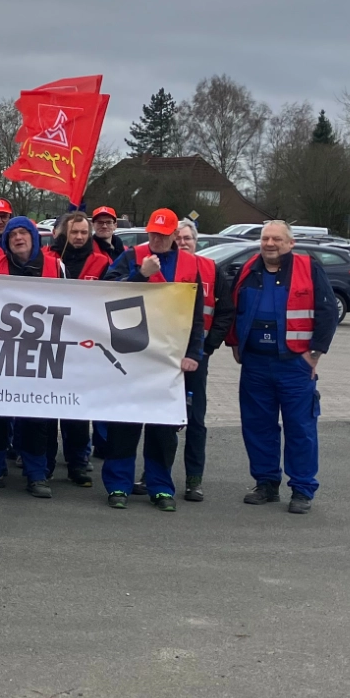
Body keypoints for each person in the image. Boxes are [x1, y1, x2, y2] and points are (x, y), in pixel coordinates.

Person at [97, 208, 204, 511]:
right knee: (124, 424)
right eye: (153, 233)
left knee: (163, 427)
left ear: (174, 235)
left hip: (168, 358)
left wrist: (194, 353)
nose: (156, 239)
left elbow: (196, 316)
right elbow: (105, 292)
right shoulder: (132, 256)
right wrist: (138, 274)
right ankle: (118, 485)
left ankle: (160, 487)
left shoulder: (189, 264)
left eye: (163, 234)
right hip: (130, 353)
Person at [228, 220, 338, 513]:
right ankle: (266, 483)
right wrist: (236, 344)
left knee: (300, 428)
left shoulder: (308, 268)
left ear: (290, 243)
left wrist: (314, 353)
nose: (270, 243)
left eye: (277, 239)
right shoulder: (249, 268)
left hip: (294, 364)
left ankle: (302, 489)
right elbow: (233, 306)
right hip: (255, 364)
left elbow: (327, 311)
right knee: (257, 427)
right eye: (265, 238)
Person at [0, 217, 62, 498]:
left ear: (33, 237)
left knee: (36, 417)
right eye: (12, 234)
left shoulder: (55, 266)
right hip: (0, 353)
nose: (18, 238)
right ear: (5, 241)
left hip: (39, 355)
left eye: (23, 233)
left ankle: (36, 474)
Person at [51, 210, 111, 486]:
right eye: (73, 232)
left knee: (76, 410)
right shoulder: (48, 260)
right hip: (50, 344)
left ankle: (78, 463)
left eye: (83, 232)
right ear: (62, 233)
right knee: (47, 409)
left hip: (84, 348)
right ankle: (44, 463)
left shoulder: (102, 262)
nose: (78, 237)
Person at [175, 219, 231, 502]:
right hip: (165, 358)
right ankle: (154, 474)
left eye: (187, 238)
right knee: (163, 419)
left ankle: (194, 480)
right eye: (178, 238)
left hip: (198, 358)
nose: (183, 242)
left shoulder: (211, 270)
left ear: (196, 242)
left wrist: (208, 346)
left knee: (196, 420)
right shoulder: (163, 269)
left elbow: (225, 311)